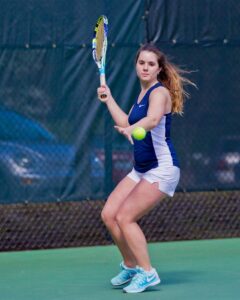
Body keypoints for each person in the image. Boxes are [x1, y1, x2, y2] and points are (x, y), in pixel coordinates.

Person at [97, 43, 195, 293]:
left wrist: (133, 130)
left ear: (158, 69)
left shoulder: (159, 94)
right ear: (136, 65)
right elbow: (125, 121)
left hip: (162, 168)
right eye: (142, 62)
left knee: (125, 217)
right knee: (109, 215)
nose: (145, 67)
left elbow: (150, 121)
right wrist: (109, 100)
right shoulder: (141, 96)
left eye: (151, 64)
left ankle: (148, 273)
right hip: (141, 168)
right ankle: (130, 265)